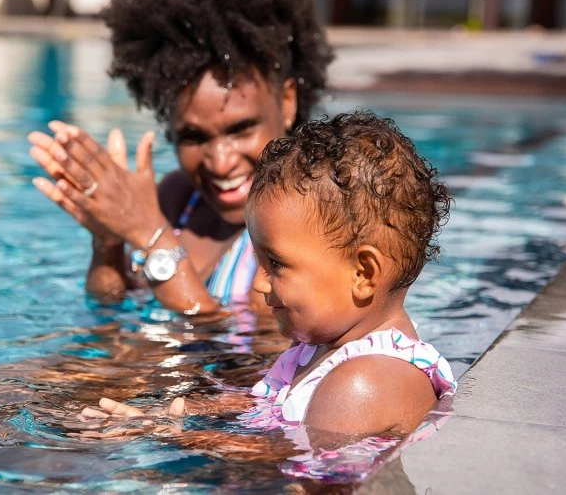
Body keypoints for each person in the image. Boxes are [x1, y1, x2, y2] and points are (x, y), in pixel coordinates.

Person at [86, 112, 457, 439]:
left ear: (363, 273)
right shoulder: (320, 351)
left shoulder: (364, 383)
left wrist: (176, 437)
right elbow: (264, 406)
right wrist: (172, 412)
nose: (260, 282)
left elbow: (295, 469)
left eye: (275, 264)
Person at [28, 0, 334, 313]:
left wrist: (150, 235)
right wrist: (108, 240)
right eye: (194, 137)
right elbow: (109, 307)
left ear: (286, 102)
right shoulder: (179, 200)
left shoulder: (302, 217)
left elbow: (255, 357)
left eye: (241, 129)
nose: (220, 163)